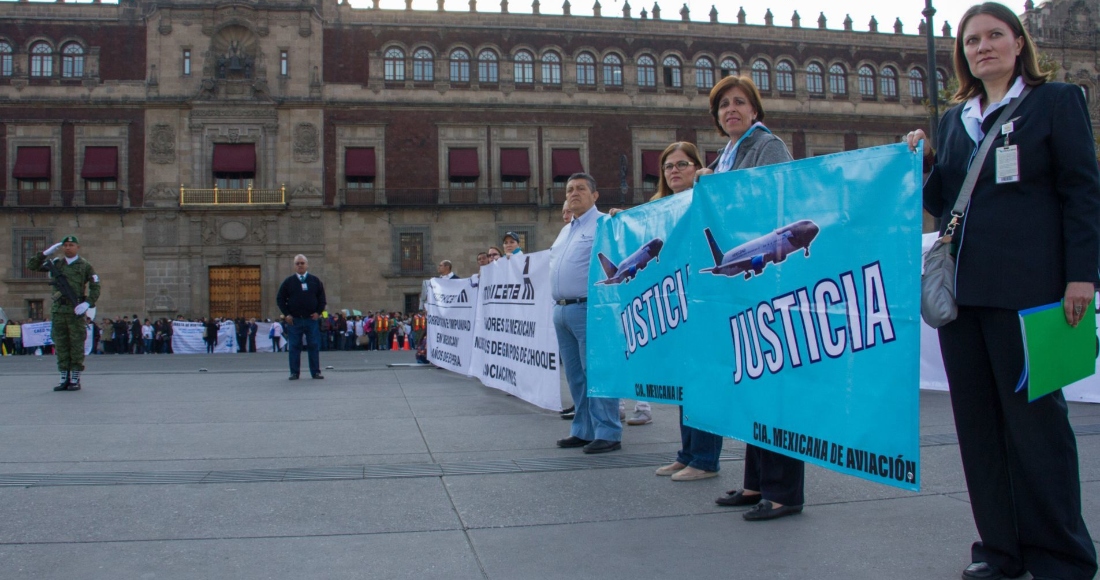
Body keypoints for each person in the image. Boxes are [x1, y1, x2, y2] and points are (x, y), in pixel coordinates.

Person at [906, 4, 1099, 579]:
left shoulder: (1056, 102)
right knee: (980, 430)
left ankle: (1062, 555)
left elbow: (1082, 193)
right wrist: (918, 164)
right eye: (971, 41)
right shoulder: (955, 118)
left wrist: (1082, 275)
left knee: (1037, 428)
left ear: (1019, 43)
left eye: (994, 36)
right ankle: (1001, 549)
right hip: (963, 298)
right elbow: (943, 199)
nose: (982, 47)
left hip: (1030, 293)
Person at [697, 75, 804, 521]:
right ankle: (755, 482)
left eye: (739, 102)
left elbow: (779, 202)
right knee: (752, 381)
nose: (730, 110)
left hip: (769, 283)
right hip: (742, 288)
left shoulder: (768, 146)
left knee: (773, 382)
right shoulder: (727, 156)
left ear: (755, 110)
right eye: (723, 106)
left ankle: (784, 491)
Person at [551, 173, 622, 454]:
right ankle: (583, 429)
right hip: (562, 310)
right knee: (576, 376)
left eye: (581, 188)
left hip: (590, 308)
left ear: (595, 195)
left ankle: (608, 431)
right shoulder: (565, 230)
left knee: (597, 370)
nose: (573, 193)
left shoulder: (605, 223)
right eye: (569, 189)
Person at [26, 235, 101, 391]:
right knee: (60, 344)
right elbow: (32, 266)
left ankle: (75, 376)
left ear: (77, 247)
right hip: (59, 310)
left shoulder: (85, 266)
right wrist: (45, 253)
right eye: (65, 245)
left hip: (75, 310)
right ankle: (63, 375)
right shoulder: (57, 264)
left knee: (76, 344)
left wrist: (87, 303)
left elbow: (96, 286)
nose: (68, 247)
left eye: (71, 245)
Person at [276, 254, 327, 380]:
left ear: (307, 264)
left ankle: (315, 372)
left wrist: (318, 313)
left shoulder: (315, 281)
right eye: (297, 263)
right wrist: (286, 314)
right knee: (294, 347)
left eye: (302, 263)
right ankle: (294, 372)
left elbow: (322, 299)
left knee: (314, 345)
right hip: (295, 320)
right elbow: (280, 299)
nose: (300, 265)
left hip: (311, 320)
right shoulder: (289, 282)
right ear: (294, 266)